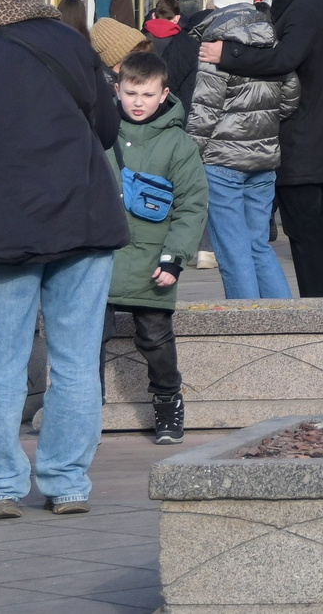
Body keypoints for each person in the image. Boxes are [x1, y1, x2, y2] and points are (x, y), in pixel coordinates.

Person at [0, 0, 125, 519]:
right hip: (84, 215)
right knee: (76, 360)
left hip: (4, 222)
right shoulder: (72, 40)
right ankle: (67, 483)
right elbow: (107, 130)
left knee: (1, 360)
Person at [198, 0, 323, 297]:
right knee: (319, 226)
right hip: (313, 134)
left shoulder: (304, 8)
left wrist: (227, 53)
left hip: (301, 138)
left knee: (307, 229)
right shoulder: (309, 2)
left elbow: (283, 60)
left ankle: (321, 311)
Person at [106, 50, 207, 443]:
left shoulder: (178, 144)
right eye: (131, 93)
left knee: (154, 336)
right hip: (102, 255)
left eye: (147, 95)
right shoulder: (101, 131)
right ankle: (85, 406)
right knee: (89, 337)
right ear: (117, 90)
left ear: (164, 95)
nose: (137, 102)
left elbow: (192, 204)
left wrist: (175, 258)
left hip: (152, 257)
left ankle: (168, 401)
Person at [184, 0, 298, 299]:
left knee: (233, 253)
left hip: (222, 160)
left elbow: (205, 110)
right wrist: (264, 124)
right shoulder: (272, 38)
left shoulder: (213, 42)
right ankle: (286, 324)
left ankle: (247, 331)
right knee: (258, 246)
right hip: (263, 158)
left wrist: (189, 157)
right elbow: (290, 95)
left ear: (216, 1)